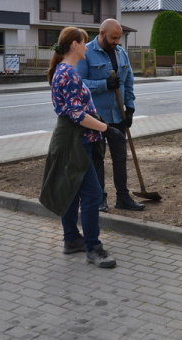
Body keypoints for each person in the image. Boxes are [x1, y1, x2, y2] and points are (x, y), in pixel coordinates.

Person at [40, 27, 122, 268]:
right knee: (93, 194)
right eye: (84, 43)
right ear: (74, 45)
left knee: (71, 190)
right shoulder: (69, 74)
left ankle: (72, 239)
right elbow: (77, 114)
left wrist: (101, 126)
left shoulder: (63, 71)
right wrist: (107, 129)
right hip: (76, 142)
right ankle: (94, 249)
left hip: (71, 140)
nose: (86, 48)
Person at [76, 19, 145, 212]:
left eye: (118, 38)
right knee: (97, 158)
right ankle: (100, 199)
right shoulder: (87, 53)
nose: (116, 41)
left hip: (118, 116)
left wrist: (130, 107)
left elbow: (128, 81)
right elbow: (79, 84)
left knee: (120, 158)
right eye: (113, 37)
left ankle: (123, 198)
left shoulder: (121, 53)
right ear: (102, 33)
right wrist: (104, 84)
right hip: (96, 118)